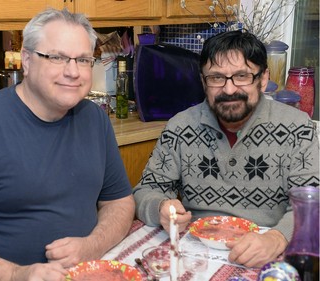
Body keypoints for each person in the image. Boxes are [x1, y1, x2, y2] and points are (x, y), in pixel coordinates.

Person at [0, 8, 135, 281]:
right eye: (56, 57)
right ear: (27, 60)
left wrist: (91, 246)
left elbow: (119, 202)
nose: (73, 72)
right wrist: (15, 274)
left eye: (83, 60)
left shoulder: (94, 119)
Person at [133, 30, 319, 268]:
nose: (229, 90)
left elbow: (313, 204)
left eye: (242, 76)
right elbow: (145, 190)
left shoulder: (297, 127)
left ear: (263, 79)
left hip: (266, 251)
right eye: (216, 78)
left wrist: (277, 237)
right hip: (195, 253)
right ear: (203, 82)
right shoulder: (180, 126)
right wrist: (159, 206)